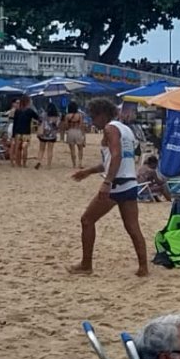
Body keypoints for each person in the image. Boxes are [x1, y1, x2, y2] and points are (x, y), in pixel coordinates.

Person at [69, 98, 148, 276]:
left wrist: (107, 182)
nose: (92, 121)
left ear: (102, 114)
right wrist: (88, 171)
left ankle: (86, 265)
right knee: (133, 227)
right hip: (130, 182)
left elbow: (116, 156)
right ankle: (143, 267)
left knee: (87, 220)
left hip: (116, 185)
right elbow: (111, 160)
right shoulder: (125, 129)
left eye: (93, 116)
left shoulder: (109, 129)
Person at [10, 95, 39, 168]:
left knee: (18, 148)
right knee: (25, 148)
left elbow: (15, 123)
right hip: (26, 132)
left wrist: (13, 135)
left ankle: (18, 163)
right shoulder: (30, 111)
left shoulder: (17, 111)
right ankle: (24, 164)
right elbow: (38, 117)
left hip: (18, 132)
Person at [34, 101, 60, 169]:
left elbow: (39, 122)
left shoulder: (43, 114)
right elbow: (57, 126)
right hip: (52, 135)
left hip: (43, 134)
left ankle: (39, 161)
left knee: (41, 149)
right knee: (50, 150)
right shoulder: (57, 116)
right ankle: (49, 165)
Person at [62, 101, 86, 169]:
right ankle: (80, 163)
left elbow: (66, 125)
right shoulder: (79, 115)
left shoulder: (67, 116)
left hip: (70, 132)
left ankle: (74, 164)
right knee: (80, 149)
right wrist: (83, 135)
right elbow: (81, 125)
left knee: (72, 150)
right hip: (78, 131)